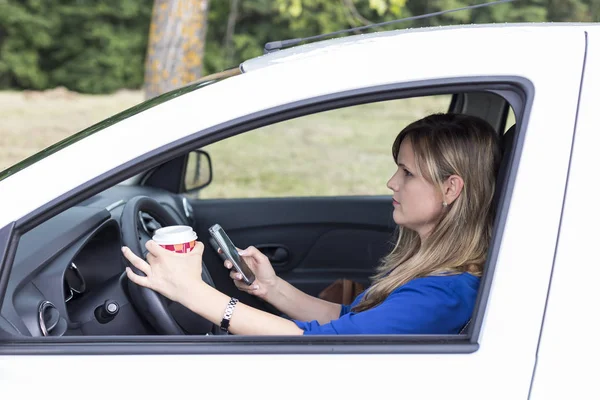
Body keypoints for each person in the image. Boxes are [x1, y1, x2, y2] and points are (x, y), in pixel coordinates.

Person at [122, 112, 502, 335]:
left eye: (407, 173)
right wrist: (271, 288)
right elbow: (347, 321)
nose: (391, 182)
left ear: (451, 188)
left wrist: (192, 292)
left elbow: (320, 343)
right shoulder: (431, 273)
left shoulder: (442, 295)